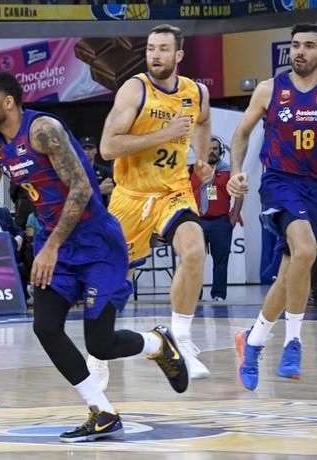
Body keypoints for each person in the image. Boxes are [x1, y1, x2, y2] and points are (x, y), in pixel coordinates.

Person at [0, 71, 189, 443]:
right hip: (54, 244)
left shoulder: (43, 130)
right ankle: (103, 411)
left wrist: (52, 245)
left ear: (7, 102)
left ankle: (158, 344)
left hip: (95, 243)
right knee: (45, 326)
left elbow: (81, 187)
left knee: (100, 344)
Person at [98, 24, 214, 383]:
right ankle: (97, 350)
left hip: (173, 191)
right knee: (117, 278)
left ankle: (181, 338)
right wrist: (163, 134)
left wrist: (202, 159)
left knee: (194, 250)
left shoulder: (196, 92)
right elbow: (107, 147)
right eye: (150, 48)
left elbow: (203, 122)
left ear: (178, 55)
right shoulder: (135, 89)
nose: (155, 55)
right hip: (130, 195)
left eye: (163, 49)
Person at [228, 23, 317, 390]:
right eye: (295, 45)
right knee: (306, 249)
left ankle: (252, 342)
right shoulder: (270, 89)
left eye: (309, 46)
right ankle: (293, 342)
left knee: (290, 272)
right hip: (282, 184)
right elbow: (241, 133)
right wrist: (235, 172)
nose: (300, 51)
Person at [190, 136, 243, 301]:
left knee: (221, 260)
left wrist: (234, 216)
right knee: (195, 259)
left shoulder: (229, 171)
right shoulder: (193, 170)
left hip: (220, 221)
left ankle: (218, 295)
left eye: (214, 149)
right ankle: (194, 295)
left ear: (220, 151)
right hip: (198, 221)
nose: (211, 152)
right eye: (208, 149)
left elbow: (239, 194)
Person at [81, 136, 114, 206]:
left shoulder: (104, 171)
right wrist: (99, 190)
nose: (87, 152)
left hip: (101, 210)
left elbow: (115, 187)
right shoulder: (74, 171)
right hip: (83, 210)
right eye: (84, 149)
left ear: (95, 150)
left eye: (90, 149)